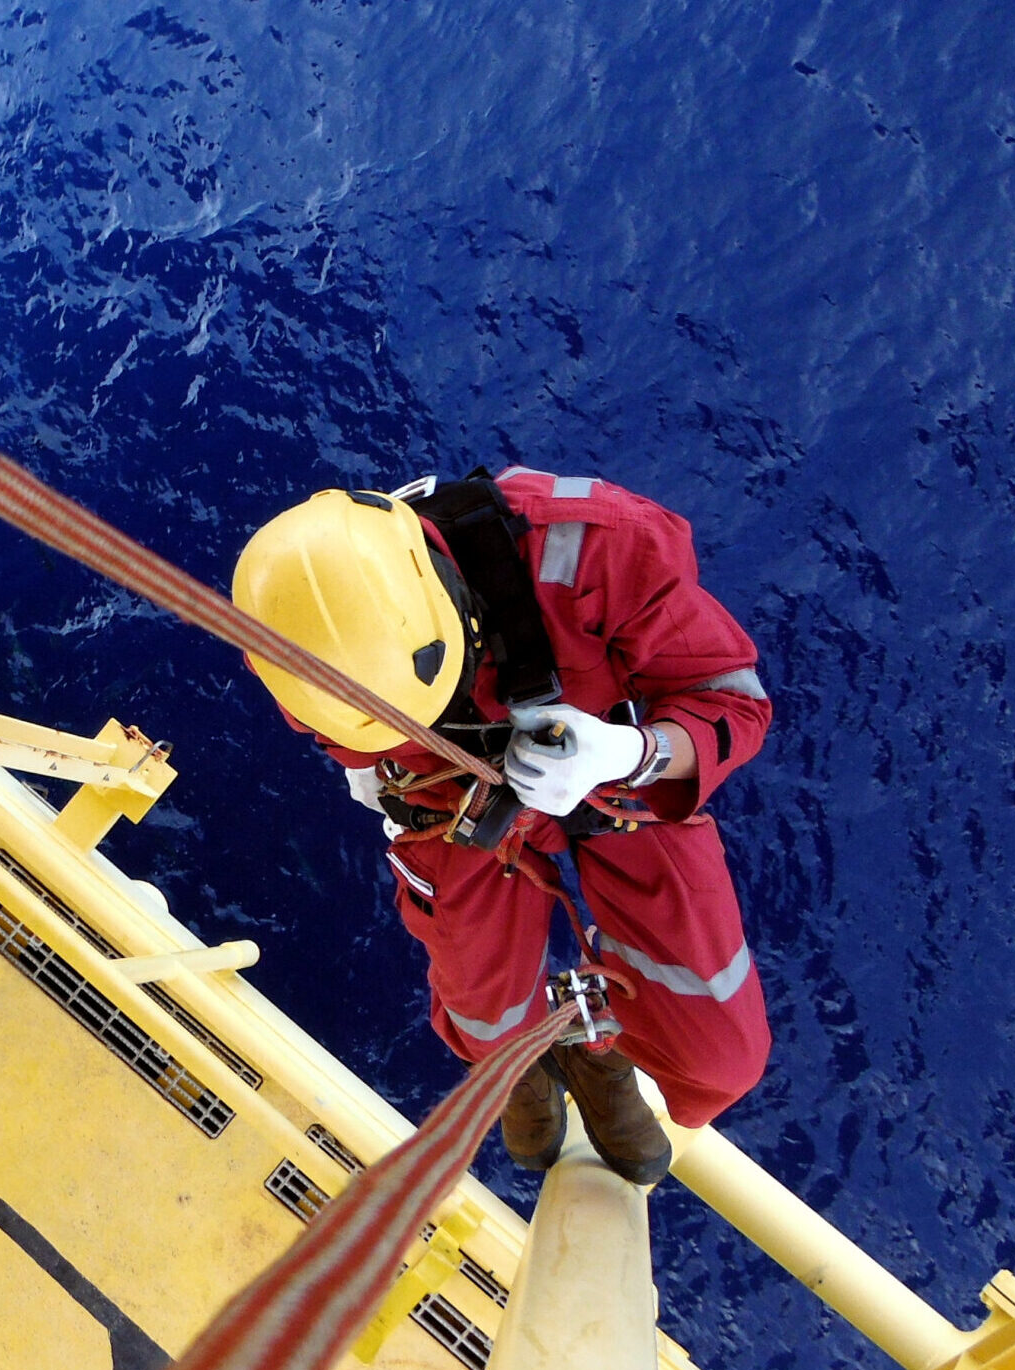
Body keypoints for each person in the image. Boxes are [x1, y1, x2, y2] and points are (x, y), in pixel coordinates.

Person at [231, 467, 772, 1184]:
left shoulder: (595, 548)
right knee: (484, 1023)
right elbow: (349, 740)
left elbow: (731, 701)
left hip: (609, 768)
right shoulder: (293, 642)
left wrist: (629, 752)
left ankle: (601, 1054)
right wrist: (377, 782)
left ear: (456, 607)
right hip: (454, 803)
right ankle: (522, 1067)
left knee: (719, 1063)